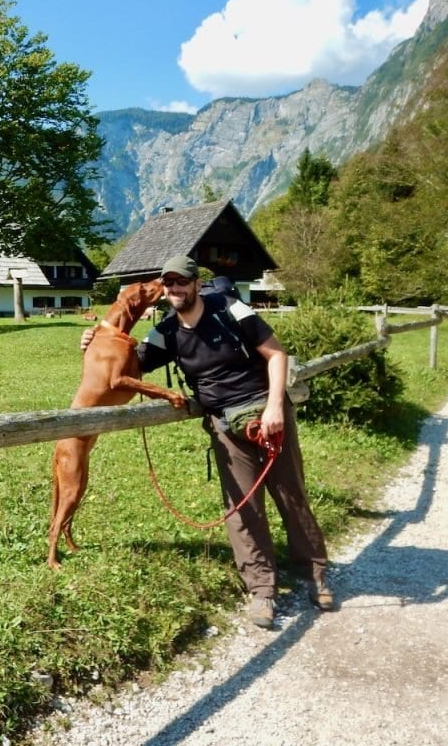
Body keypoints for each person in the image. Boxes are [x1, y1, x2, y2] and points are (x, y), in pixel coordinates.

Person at [81, 256, 334, 629]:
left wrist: (276, 406)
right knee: (242, 510)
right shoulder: (165, 332)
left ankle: (315, 573)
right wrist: (96, 338)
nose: (175, 289)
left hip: (268, 414)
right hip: (225, 426)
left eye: (181, 282)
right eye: (168, 284)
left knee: (291, 495)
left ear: (197, 283)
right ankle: (262, 590)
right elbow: (126, 365)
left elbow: (276, 354)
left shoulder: (230, 309)